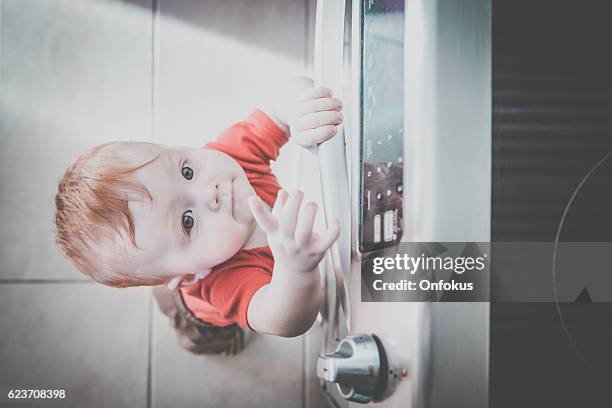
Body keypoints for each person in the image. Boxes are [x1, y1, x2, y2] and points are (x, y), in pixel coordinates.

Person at [54, 77, 344, 355]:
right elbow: (285, 321)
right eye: (187, 222)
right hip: (194, 316)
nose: (210, 193)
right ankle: (218, 339)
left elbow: (278, 103)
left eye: (186, 171)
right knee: (206, 337)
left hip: (169, 273)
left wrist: (299, 109)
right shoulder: (219, 284)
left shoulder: (230, 156)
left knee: (157, 274)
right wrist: (296, 269)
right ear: (191, 275)